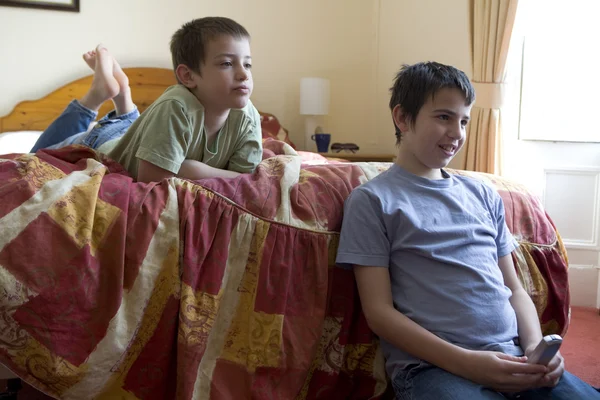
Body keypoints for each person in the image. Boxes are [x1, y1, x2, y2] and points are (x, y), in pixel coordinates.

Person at [335, 61, 600, 399]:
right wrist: (471, 364)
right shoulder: (372, 201)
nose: (457, 133)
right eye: (444, 117)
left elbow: (515, 290)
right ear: (402, 118)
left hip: (515, 357)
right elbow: (380, 314)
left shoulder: (483, 194)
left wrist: (535, 349)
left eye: (463, 121)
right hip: (433, 369)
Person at [31, 17, 262, 183]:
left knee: (132, 128)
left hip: (136, 135)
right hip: (101, 143)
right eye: (227, 63)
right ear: (188, 76)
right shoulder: (176, 105)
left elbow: (245, 180)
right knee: (33, 158)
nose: (244, 74)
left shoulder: (248, 117)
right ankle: (96, 97)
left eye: (248, 64)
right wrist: (192, 169)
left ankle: (123, 98)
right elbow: (154, 177)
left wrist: (189, 168)